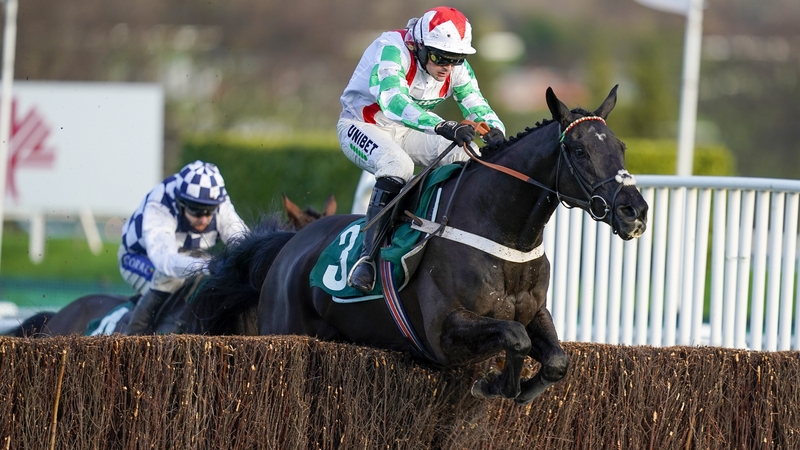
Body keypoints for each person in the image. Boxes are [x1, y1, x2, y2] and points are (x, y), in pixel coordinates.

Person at [337, 6, 507, 292]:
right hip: (361, 125)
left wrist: (496, 131)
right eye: (440, 57)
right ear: (419, 46)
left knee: (466, 154)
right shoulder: (391, 48)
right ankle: (366, 258)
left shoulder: (453, 67)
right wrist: (443, 125)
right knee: (398, 165)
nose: (448, 67)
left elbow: (475, 102)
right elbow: (394, 102)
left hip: (405, 130)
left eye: (456, 60)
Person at [119, 160, 248, 335]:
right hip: (139, 257)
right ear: (181, 203)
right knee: (169, 279)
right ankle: (132, 338)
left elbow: (242, 243)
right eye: (196, 210)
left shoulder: (219, 201)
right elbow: (165, 261)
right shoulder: (161, 203)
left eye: (209, 211)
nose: (204, 219)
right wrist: (208, 265)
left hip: (188, 256)